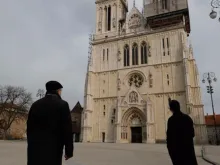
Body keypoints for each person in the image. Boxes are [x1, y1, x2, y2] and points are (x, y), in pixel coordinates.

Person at [27, 81, 73, 165]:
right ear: (58, 91)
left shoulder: (35, 105)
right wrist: (69, 151)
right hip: (54, 148)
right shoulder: (63, 105)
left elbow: (29, 128)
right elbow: (67, 129)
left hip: (35, 149)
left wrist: (30, 145)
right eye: (60, 91)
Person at [167, 99, 198, 165]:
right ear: (179, 107)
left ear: (171, 109)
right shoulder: (187, 118)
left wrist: (171, 153)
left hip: (177, 154)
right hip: (189, 152)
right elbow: (192, 134)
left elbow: (169, 139)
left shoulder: (171, 120)